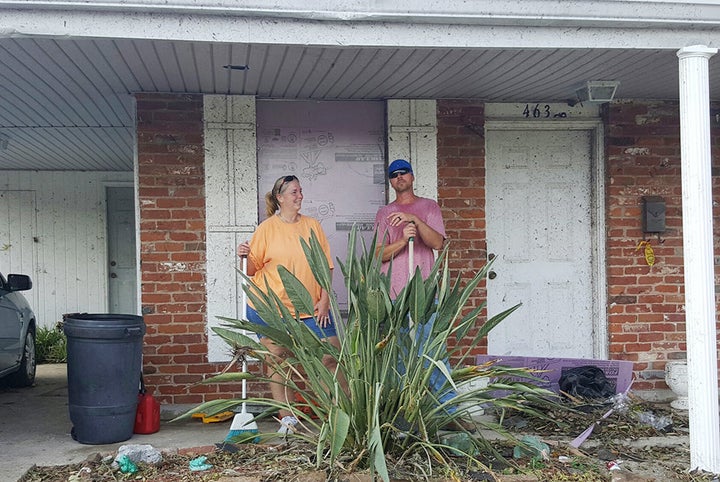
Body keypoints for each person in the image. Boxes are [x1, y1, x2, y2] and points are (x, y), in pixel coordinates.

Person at [237, 174, 341, 435]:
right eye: (294, 192)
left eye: (300, 191)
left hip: (310, 307)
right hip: (270, 308)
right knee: (279, 361)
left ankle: (338, 415)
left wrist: (325, 299)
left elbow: (326, 265)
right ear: (280, 198)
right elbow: (251, 269)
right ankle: (288, 418)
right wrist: (244, 254)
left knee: (330, 357)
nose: (300, 196)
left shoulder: (312, 226)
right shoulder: (266, 228)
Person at [374, 159, 472, 431]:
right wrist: (403, 240)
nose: (399, 177)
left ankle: (447, 411)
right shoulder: (384, 213)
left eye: (403, 172)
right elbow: (379, 255)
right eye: (393, 175)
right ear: (391, 181)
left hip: (424, 291)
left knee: (432, 350)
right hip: (394, 293)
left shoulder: (428, 207)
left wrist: (414, 220)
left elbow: (438, 243)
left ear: (412, 176)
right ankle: (403, 412)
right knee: (399, 353)